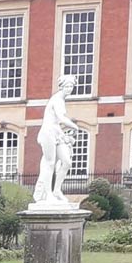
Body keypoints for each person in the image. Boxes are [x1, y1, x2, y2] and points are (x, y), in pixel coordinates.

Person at [32, 74, 81, 207]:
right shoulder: (57, 99)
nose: (69, 89)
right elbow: (61, 117)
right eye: (67, 86)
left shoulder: (61, 100)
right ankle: (47, 194)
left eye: (71, 86)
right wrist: (74, 126)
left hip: (56, 131)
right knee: (50, 163)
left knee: (66, 162)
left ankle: (57, 190)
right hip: (48, 132)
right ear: (61, 87)